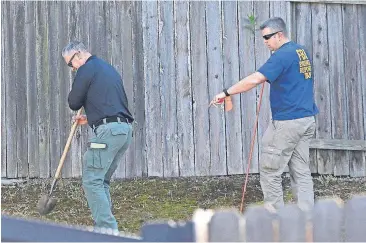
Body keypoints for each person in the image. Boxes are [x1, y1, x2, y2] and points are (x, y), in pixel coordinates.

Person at [210, 17, 319, 211]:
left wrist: (226, 92)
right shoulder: (301, 51)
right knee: (301, 171)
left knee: (270, 172)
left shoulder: (282, 56)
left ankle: (276, 222)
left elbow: (255, 79)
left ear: (279, 34)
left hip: (287, 123)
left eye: (267, 37)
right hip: (306, 120)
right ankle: (307, 220)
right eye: (263, 38)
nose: (265, 41)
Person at [62, 41, 134, 232]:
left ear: (78, 55)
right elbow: (112, 102)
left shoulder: (86, 69)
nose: (72, 68)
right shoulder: (106, 68)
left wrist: (97, 118)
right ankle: (107, 231)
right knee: (101, 181)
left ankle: (107, 231)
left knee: (92, 180)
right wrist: (92, 116)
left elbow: (73, 102)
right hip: (123, 131)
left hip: (108, 133)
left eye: (70, 64)